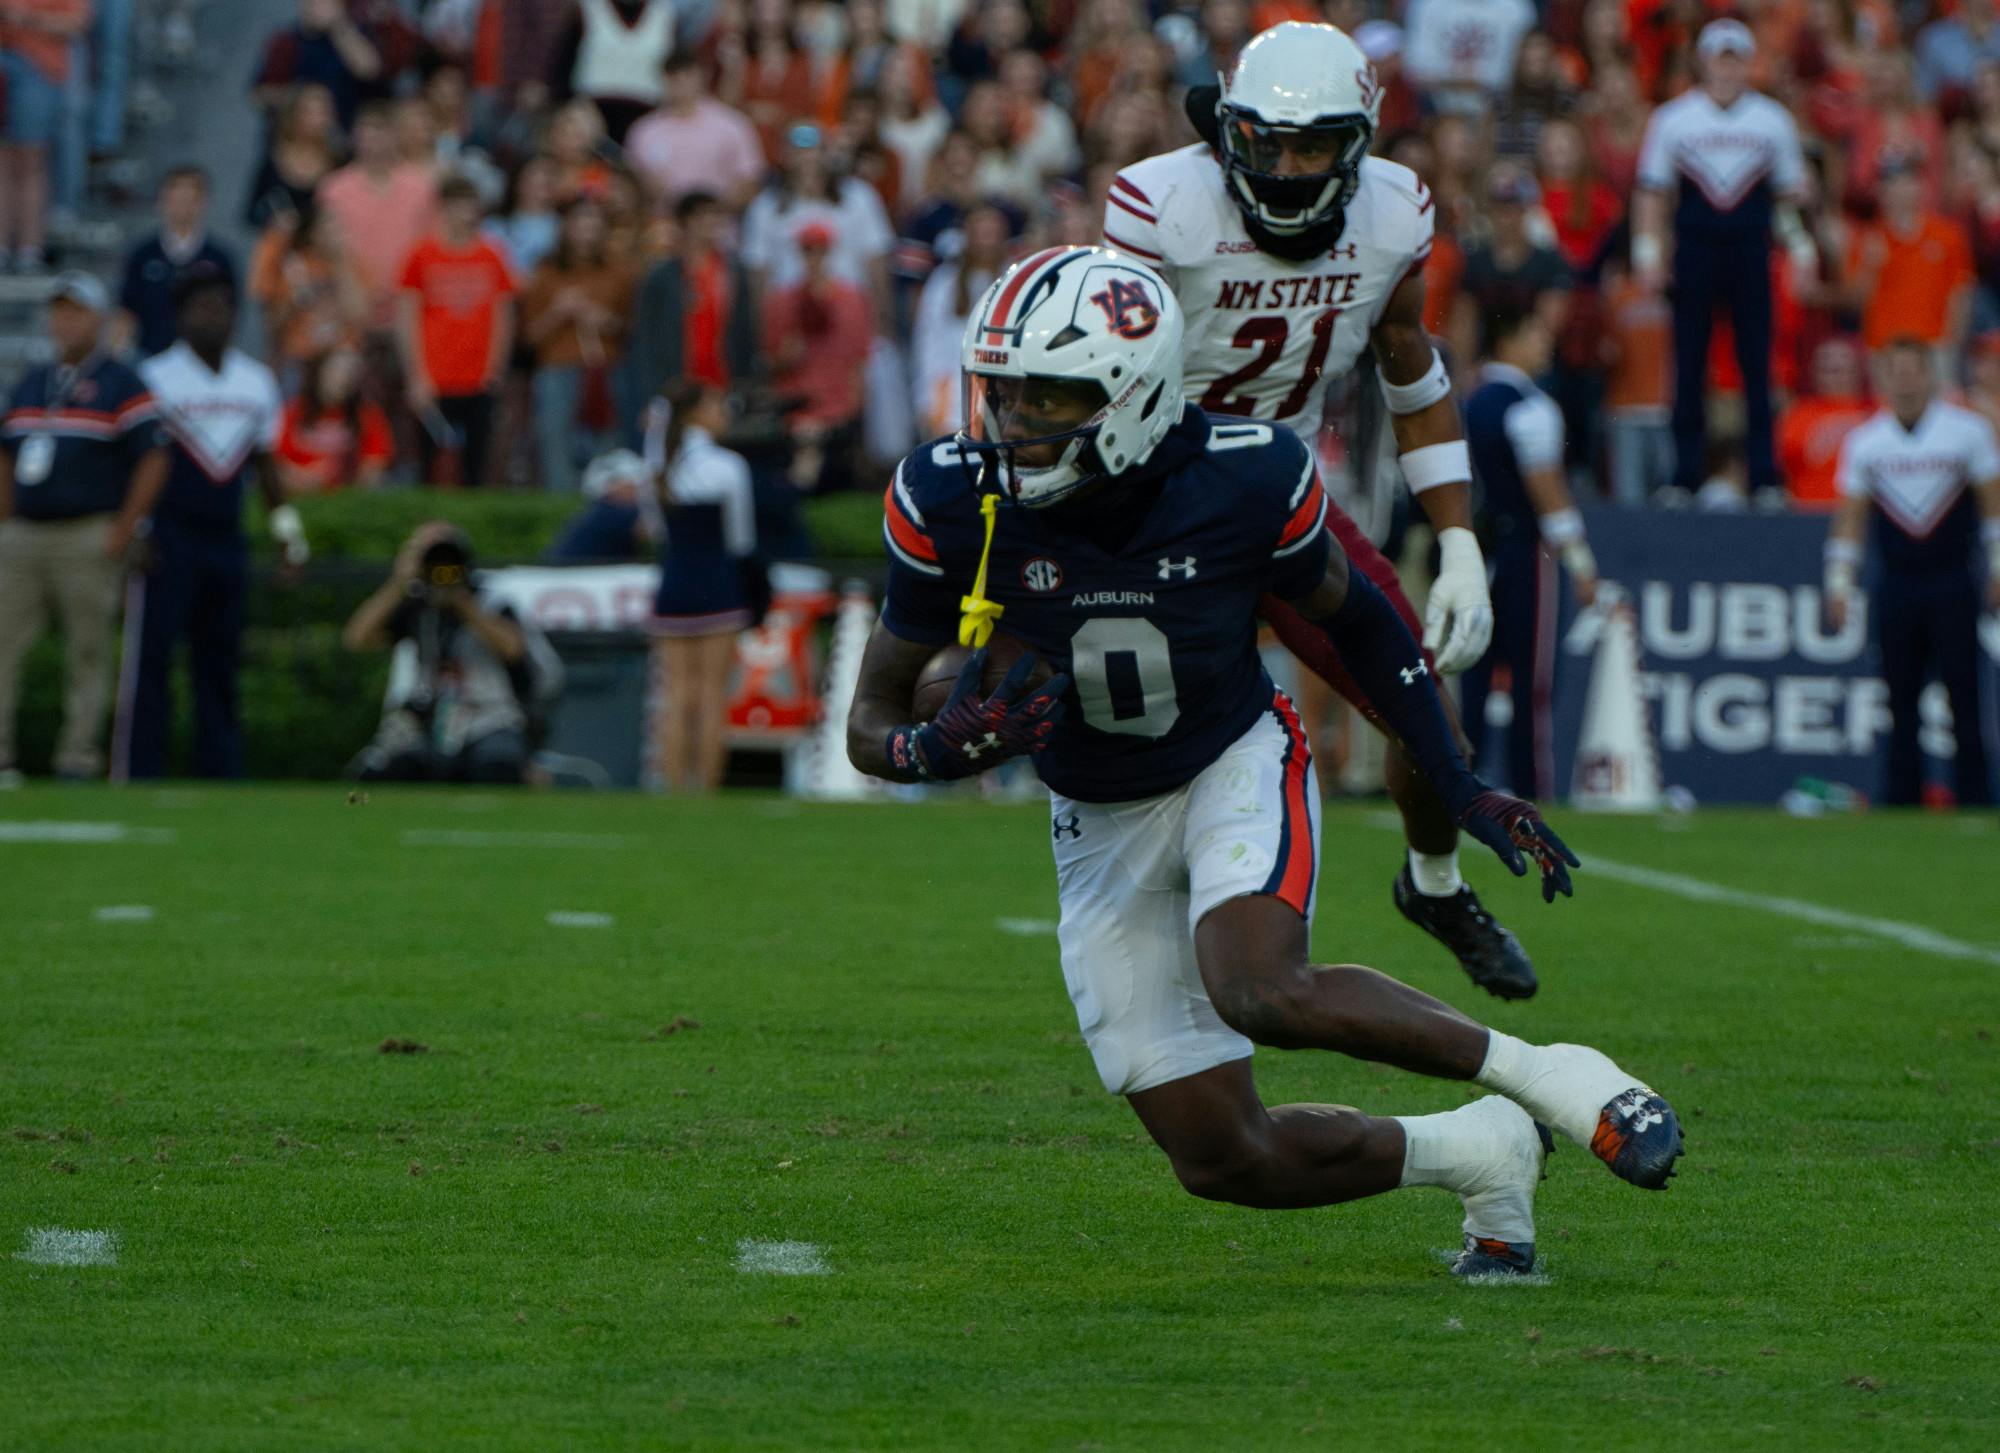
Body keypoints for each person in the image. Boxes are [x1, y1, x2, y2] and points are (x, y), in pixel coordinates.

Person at [844, 244, 1681, 1278]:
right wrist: (933, 745)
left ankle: (1551, 1073)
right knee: (1220, 1155)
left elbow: (1366, 627)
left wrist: (1454, 784)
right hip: (1096, 813)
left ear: (1136, 397)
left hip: (1225, 757)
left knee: (1256, 986)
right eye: (1005, 394)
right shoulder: (953, 496)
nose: (1014, 424)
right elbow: (870, 720)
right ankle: (1477, 1147)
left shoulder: (1240, 475)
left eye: (1048, 398)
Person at [1102, 23, 1539, 1002]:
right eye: (1267, 142)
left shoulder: (1391, 213)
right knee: (1133, 738)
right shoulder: (1159, 204)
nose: (1289, 168)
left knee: (1428, 720)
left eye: (1311, 146)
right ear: (1231, 129)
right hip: (1150, 499)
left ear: (1360, 140)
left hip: (1276, 500)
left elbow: (1406, 363)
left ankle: (1431, 885)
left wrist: (1459, 541)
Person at [118, 265, 305, 781]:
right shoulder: (155, 377)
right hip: (169, 534)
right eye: (202, 307)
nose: (214, 317)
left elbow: (266, 467)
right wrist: (136, 530)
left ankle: (221, 770)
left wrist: (288, 535)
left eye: (223, 307)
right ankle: (141, 768)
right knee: (155, 657)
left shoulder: (256, 380)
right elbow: (137, 463)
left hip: (226, 536)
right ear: (181, 317)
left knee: (219, 658)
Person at [1632, 19, 1814, 505]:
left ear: (1749, 63)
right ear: (1703, 61)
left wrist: (1801, 251)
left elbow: (1790, 196)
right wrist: (1648, 256)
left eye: (1736, 59)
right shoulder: (1673, 119)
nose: (1727, 69)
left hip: (1752, 251)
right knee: (1688, 364)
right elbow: (1653, 194)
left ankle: (1763, 476)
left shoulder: (1772, 119)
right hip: (1695, 249)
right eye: (1720, 58)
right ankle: (1685, 475)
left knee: (1758, 366)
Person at [0, 273, 168, 785]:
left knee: (88, 649)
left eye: (75, 311)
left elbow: (153, 457)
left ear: (98, 319)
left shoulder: (122, 382)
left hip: (87, 531)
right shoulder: (33, 381)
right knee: (4, 645)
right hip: (26, 532)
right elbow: (5, 454)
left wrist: (124, 526)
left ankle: (77, 757)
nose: (64, 321)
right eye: (59, 311)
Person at [1827, 340, 2000, 808]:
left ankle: (1976, 797)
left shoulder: (1966, 432)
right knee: (1899, 698)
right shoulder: (1867, 440)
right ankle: (1902, 797)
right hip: (1898, 579)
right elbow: (1851, 516)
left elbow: (1991, 502)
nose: (1905, 380)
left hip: (1952, 577)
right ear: (1881, 378)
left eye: (1913, 370)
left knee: (1964, 695)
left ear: (1931, 374)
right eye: (1896, 371)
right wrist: (1839, 580)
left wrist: (1997, 563)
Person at [1460, 306, 1600, 802]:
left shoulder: (1470, 402)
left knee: (1473, 673)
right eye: (1536, 333)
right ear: (1510, 340)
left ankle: (1462, 783)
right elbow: (1549, 493)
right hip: (1524, 549)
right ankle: (1531, 786)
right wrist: (1581, 562)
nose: (1546, 344)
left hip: (1474, 548)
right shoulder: (1531, 406)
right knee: (1532, 678)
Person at [343, 522, 557, 784]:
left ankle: (526, 773)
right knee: (388, 772)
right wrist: (398, 583)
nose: (441, 567)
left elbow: (512, 648)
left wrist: (463, 604)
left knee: (496, 768)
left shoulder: (491, 600)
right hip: (429, 717)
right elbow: (358, 639)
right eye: (432, 557)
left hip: (488, 716)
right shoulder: (419, 608)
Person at [646, 378, 757, 793]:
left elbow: (656, 530)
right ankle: (706, 790)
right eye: (716, 406)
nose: (723, 414)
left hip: (674, 582)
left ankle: (675, 789)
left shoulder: (661, 466)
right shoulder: (728, 466)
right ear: (696, 413)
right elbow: (741, 539)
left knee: (677, 695)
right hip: (717, 585)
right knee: (711, 694)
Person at [397, 174, 517, 488]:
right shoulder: (422, 255)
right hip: (435, 378)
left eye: (471, 206)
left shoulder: (492, 254)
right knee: (430, 466)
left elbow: (504, 315)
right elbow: (407, 316)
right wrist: (416, 375)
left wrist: (495, 368)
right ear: (443, 208)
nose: (466, 214)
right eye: (458, 206)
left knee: (475, 465)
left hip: (478, 377)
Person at [520, 195, 635, 492]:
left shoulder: (618, 272)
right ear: (566, 227)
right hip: (557, 371)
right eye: (581, 220)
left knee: (608, 449)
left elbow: (631, 329)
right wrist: (557, 312)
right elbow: (529, 336)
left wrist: (604, 320)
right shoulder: (546, 272)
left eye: (595, 221)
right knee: (557, 448)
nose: (588, 228)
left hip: (605, 370)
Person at [762, 220, 874, 492]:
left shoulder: (851, 298)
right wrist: (787, 355)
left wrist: (856, 410)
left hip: (838, 399)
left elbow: (860, 358)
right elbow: (772, 362)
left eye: (819, 250)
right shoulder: (783, 300)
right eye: (807, 250)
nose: (813, 258)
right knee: (805, 444)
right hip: (799, 400)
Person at [629, 191, 760, 419]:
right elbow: (647, 338)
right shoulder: (662, 277)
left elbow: (746, 332)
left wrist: (746, 385)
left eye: (716, 216)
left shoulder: (733, 272)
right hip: (678, 385)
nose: (711, 223)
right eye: (702, 217)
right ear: (685, 223)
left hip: (723, 384)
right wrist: (652, 395)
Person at [315, 100, 439, 328]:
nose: (375, 138)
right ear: (355, 135)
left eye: (383, 130)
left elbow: (431, 247)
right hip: (349, 309)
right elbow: (326, 252)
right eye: (368, 129)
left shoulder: (421, 188)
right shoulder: (333, 190)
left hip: (409, 311)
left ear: (396, 135)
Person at [1844, 153, 1975, 367]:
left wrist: (1952, 344)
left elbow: (1961, 293)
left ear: (1922, 187)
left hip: (1934, 347)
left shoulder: (1947, 235)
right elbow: (1856, 302)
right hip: (1883, 348)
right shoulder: (1868, 238)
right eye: (1893, 182)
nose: (1902, 189)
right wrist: (1870, 266)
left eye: (1909, 180)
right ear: (1880, 190)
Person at [0, 0, 91, 273]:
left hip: (40, 68)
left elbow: (77, 22)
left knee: (31, 160)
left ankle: (30, 248)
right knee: (3, 161)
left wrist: (25, 18)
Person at [116, 167, 238, 359]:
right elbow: (126, 311)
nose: (183, 207)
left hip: (202, 360)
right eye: (176, 199)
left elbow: (230, 313)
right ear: (161, 201)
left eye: (191, 200)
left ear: (203, 203)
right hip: (150, 356)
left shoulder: (219, 258)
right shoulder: (142, 254)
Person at [623, 50, 767, 212]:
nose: (681, 83)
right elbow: (631, 183)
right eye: (673, 77)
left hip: (718, 226)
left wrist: (708, 216)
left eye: (687, 75)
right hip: (662, 226)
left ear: (701, 76)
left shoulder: (732, 125)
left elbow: (750, 179)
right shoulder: (644, 131)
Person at [249, 0, 384, 132]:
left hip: (344, 136)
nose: (318, 5)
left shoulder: (357, 33)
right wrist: (301, 99)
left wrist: (339, 26)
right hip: (294, 137)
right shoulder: (287, 41)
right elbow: (259, 95)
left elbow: (369, 69)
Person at [275, 345, 393, 494]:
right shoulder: (292, 412)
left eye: (350, 372)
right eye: (336, 370)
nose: (343, 378)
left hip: (345, 500)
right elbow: (275, 464)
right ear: (320, 371)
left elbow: (375, 466)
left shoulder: (368, 416)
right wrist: (304, 479)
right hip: (298, 495)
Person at [1776, 337, 1872, 513]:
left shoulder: (1878, 413)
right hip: (1809, 513)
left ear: (1859, 370)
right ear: (1815, 373)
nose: (1835, 376)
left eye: (1841, 369)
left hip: (1863, 516)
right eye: (1828, 370)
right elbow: (1784, 471)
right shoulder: (1798, 414)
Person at [544, 448, 650, 563]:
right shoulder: (612, 513)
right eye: (632, 485)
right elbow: (651, 531)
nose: (638, 490)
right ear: (614, 487)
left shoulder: (603, 510)